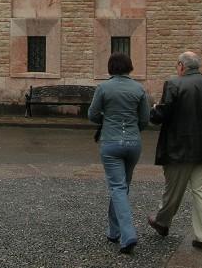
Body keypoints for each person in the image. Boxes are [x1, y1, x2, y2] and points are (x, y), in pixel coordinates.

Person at [147, 51, 202, 251]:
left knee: (173, 190)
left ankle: (162, 222)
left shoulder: (173, 84)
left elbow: (162, 114)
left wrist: (154, 110)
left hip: (177, 147)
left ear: (181, 65)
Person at [88, 52, 150, 255]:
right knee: (122, 187)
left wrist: (106, 118)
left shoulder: (103, 88)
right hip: (133, 143)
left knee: (117, 187)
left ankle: (127, 234)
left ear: (110, 68)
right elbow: (144, 120)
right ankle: (114, 231)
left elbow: (92, 115)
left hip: (111, 142)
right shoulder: (139, 88)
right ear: (129, 67)